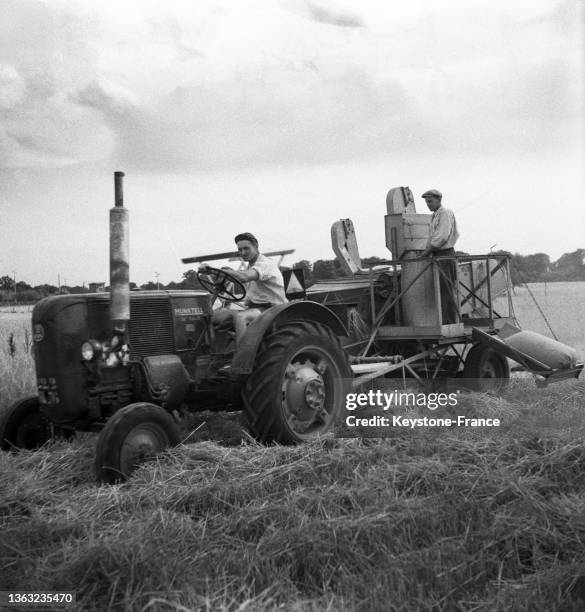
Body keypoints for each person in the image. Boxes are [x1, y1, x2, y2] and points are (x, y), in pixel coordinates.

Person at [203, 232, 288, 344]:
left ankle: (242, 356)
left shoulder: (266, 264)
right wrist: (224, 275)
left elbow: (244, 276)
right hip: (254, 309)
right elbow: (239, 276)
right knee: (209, 316)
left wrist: (213, 270)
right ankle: (211, 350)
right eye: (240, 249)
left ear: (256, 246)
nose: (242, 252)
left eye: (246, 248)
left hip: (272, 310)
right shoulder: (250, 266)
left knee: (240, 317)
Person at [420, 189, 460, 324]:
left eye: (430, 201)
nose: (428, 204)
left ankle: (449, 323)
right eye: (426, 202)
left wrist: (426, 252)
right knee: (439, 290)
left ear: (439, 200)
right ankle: (443, 321)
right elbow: (432, 238)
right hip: (437, 254)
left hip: (445, 255)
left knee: (446, 290)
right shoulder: (434, 216)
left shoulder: (445, 213)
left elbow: (441, 237)